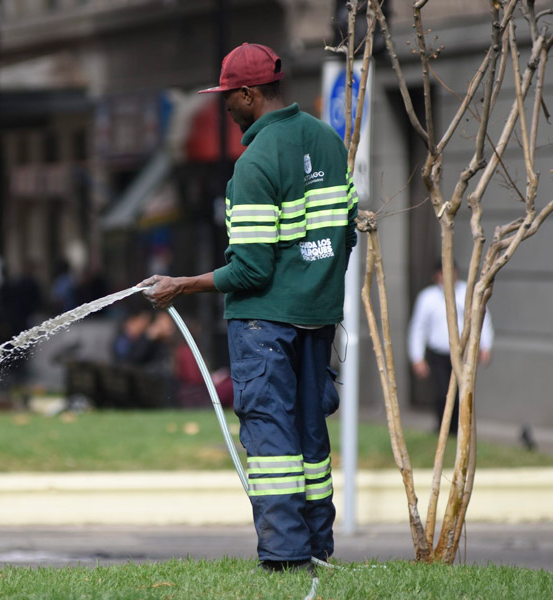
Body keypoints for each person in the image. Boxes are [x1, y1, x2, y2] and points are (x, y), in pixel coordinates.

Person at [139, 43, 358, 573]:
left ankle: (284, 557)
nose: (225, 109)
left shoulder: (258, 160)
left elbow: (251, 271)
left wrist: (181, 286)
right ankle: (316, 550)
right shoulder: (327, 141)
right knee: (310, 438)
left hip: (265, 325)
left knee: (272, 439)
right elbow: (346, 233)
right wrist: (315, 285)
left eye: (228, 99)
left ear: (248, 94)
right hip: (318, 317)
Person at [408, 260, 493, 435]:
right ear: (436, 276)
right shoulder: (427, 298)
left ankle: (460, 430)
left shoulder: (468, 294)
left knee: (463, 392)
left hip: (463, 354)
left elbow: (482, 319)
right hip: (439, 355)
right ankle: (444, 429)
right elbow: (418, 328)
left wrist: (486, 346)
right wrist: (417, 357)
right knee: (442, 393)